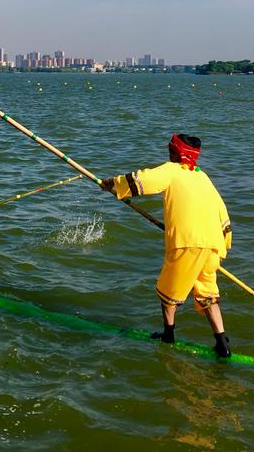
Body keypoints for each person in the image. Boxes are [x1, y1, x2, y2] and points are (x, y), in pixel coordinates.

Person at [100, 133, 233, 357]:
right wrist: (224, 244)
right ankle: (222, 343)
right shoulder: (202, 177)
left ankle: (168, 336)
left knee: (167, 292)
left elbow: (143, 180)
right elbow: (222, 214)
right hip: (213, 244)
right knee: (207, 294)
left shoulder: (171, 171)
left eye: (170, 148)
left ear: (175, 153)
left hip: (188, 243)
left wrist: (111, 185)